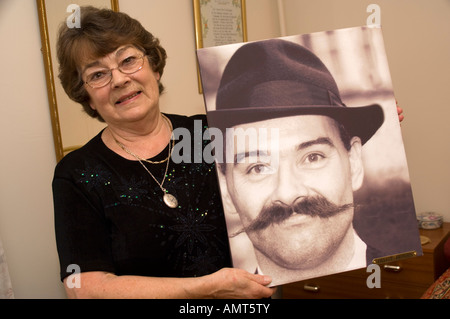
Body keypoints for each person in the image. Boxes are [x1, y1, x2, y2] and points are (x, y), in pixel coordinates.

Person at [52, 6, 275, 299]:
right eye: (97, 75)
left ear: (154, 68)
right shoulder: (77, 174)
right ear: (88, 98)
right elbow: (85, 289)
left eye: (128, 60)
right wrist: (205, 290)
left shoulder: (213, 134)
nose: (119, 80)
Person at [204, 39, 411, 285]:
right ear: (227, 191)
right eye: (258, 168)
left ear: (354, 162)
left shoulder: (409, 283)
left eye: (313, 157)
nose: (288, 193)